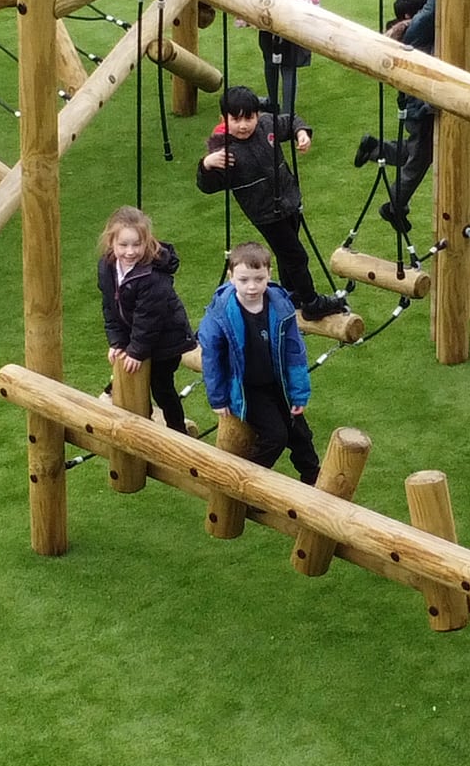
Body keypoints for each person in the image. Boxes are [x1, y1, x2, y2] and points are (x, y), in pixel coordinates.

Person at [195, 241, 320, 481]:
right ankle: (246, 481)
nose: (252, 287)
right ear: (231, 277)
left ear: (269, 275)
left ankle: (313, 478)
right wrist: (218, 397)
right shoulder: (221, 314)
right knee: (275, 436)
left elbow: (294, 352)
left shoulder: (280, 306)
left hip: (276, 381)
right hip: (247, 387)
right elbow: (211, 357)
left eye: (259, 279)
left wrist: (298, 393)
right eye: (244, 280)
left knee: (300, 433)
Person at [198, 84, 330, 311]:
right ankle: (311, 302)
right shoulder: (223, 151)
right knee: (296, 256)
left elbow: (291, 120)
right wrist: (206, 165)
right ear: (223, 118)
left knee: (286, 255)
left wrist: (301, 132)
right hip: (265, 214)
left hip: (289, 201)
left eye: (249, 118)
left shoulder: (267, 125)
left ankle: (292, 295)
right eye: (236, 119)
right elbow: (208, 186)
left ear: (258, 115)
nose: (243, 125)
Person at [95, 206, 192, 439]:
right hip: (136, 333)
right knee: (131, 379)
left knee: (161, 386)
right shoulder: (107, 266)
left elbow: (149, 320)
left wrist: (136, 351)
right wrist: (117, 342)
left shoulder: (152, 276)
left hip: (166, 338)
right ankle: (143, 421)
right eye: (123, 245)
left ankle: (178, 432)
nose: (130, 252)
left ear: (146, 242)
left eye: (136, 245)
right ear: (111, 243)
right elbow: (109, 306)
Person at [355, 0, 439, 239]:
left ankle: (376, 149)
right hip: (420, 107)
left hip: (416, 105)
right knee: (419, 160)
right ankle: (395, 206)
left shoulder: (406, 32)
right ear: (407, 17)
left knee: (418, 152)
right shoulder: (415, 29)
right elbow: (434, 6)